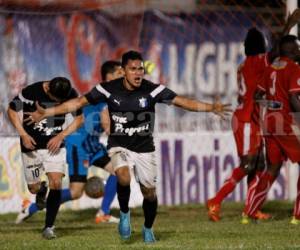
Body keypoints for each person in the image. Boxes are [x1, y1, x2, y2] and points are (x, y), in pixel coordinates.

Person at [25, 50, 231, 243]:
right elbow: (77, 104)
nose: (138, 73)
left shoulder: (152, 90)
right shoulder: (107, 89)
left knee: (149, 193)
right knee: (122, 175)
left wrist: (211, 107)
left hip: (144, 147)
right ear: (123, 71)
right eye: (133, 69)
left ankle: (148, 228)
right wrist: (48, 112)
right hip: (118, 145)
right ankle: (123, 213)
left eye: (140, 68)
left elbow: (182, 101)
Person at [15, 60, 124, 225]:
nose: (124, 76)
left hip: (92, 144)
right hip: (78, 145)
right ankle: (30, 207)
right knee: (75, 192)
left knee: (119, 170)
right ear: (109, 77)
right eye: (120, 74)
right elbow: (107, 123)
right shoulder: (105, 94)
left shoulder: (114, 93)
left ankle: (104, 213)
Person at [7, 77, 84, 239]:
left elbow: (79, 119)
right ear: (48, 89)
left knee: (56, 182)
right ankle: (41, 191)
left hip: (54, 145)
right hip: (31, 145)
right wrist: (24, 135)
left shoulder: (70, 94)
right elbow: (12, 110)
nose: (60, 103)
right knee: (33, 188)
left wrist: (61, 136)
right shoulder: (31, 92)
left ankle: (49, 227)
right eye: (57, 100)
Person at [206, 27, 270, 222]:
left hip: (252, 118)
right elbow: (276, 54)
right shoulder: (258, 61)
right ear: (262, 46)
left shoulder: (244, 65)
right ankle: (215, 200)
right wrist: (288, 26)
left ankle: (251, 208)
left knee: (258, 163)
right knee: (248, 163)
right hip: (246, 119)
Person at [242, 35, 300, 224]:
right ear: (291, 51)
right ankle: (297, 216)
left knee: (272, 168)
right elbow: (293, 99)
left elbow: (258, 95)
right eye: (298, 48)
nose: (299, 51)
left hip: (270, 123)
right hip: (285, 123)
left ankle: (249, 211)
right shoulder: (294, 68)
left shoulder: (269, 69)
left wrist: (272, 105)